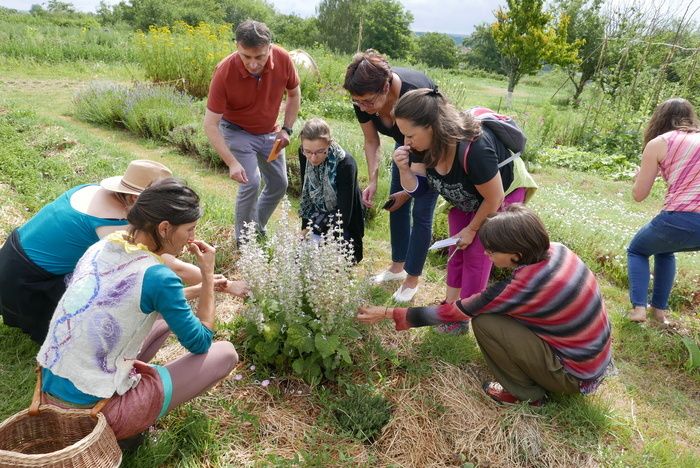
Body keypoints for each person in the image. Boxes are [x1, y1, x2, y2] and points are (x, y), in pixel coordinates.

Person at [37, 178, 238, 441]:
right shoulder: (158, 277)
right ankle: (131, 424)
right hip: (92, 413)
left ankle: (126, 398)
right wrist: (207, 274)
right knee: (225, 354)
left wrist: (196, 290)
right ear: (165, 228)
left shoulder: (105, 245)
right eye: (190, 229)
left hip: (51, 388)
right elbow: (200, 342)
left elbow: (122, 300)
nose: (192, 238)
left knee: (164, 321)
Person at [357, 204, 613, 406]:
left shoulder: (524, 286)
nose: (487, 255)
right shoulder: (558, 251)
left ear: (516, 255)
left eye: (492, 251)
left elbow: (456, 311)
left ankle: (527, 395)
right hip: (592, 359)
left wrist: (391, 313)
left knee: (485, 322)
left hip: (574, 374)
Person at [0, 160, 173, 342]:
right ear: (134, 198)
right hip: (26, 281)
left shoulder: (89, 190)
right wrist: (204, 275)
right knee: (84, 334)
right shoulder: (112, 222)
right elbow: (147, 263)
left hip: (8, 257)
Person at [392, 88, 533, 306]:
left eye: (410, 135)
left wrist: (472, 229)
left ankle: (465, 313)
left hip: (500, 194)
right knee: (456, 248)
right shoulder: (422, 145)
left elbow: (494, 199)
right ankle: (450, 305)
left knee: (478, 253)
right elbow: (420, 190)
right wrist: (404, 170)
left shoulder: (475, 148)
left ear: (432, 127)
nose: (406, 142)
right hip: (466, 197)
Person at [343, 49, 438, 301]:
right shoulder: (363, 96)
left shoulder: (413, 92)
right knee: (395, 206)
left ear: (386, 87)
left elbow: (428, 143)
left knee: (421, 210)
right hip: (404, 145)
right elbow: (371, 141)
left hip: (431, 147)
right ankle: (397, 266)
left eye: (368, 102)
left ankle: (412, 279)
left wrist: (409, 191)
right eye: (357, 102)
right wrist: (373, 180)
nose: (363, 107)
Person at [204, 20, 301, 242]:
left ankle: (255, 226)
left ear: (270, 48)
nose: (253, 64)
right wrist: (231, 162)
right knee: (252, 182)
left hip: (270, 132)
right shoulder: (224, 72)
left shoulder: (283, 59)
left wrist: (286, 129)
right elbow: (210, 124)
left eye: (260, 57)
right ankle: (244, 241)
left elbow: (294, 94)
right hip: (237, 131)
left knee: (279, 184)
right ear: (237, 46)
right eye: (246, 57)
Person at [627, 97, 700, 324]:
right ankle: (659, 313)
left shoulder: (659, 143)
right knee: (664, 250)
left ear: (658, 120)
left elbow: (639, 195)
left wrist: (639, 175)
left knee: (637, 250)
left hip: (679, 218)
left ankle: (639, 308)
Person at [298, 118, 364, 263]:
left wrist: (325, 246)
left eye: (320, 152)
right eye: (308, 151)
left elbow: (344, 214)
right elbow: (306, 193)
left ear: (329, 144)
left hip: (342, 223)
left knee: (330, 263)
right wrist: (305, 229)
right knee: (300, 260)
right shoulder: (304, 154)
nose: (313, 158)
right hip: (318, 217)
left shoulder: (345, 164)